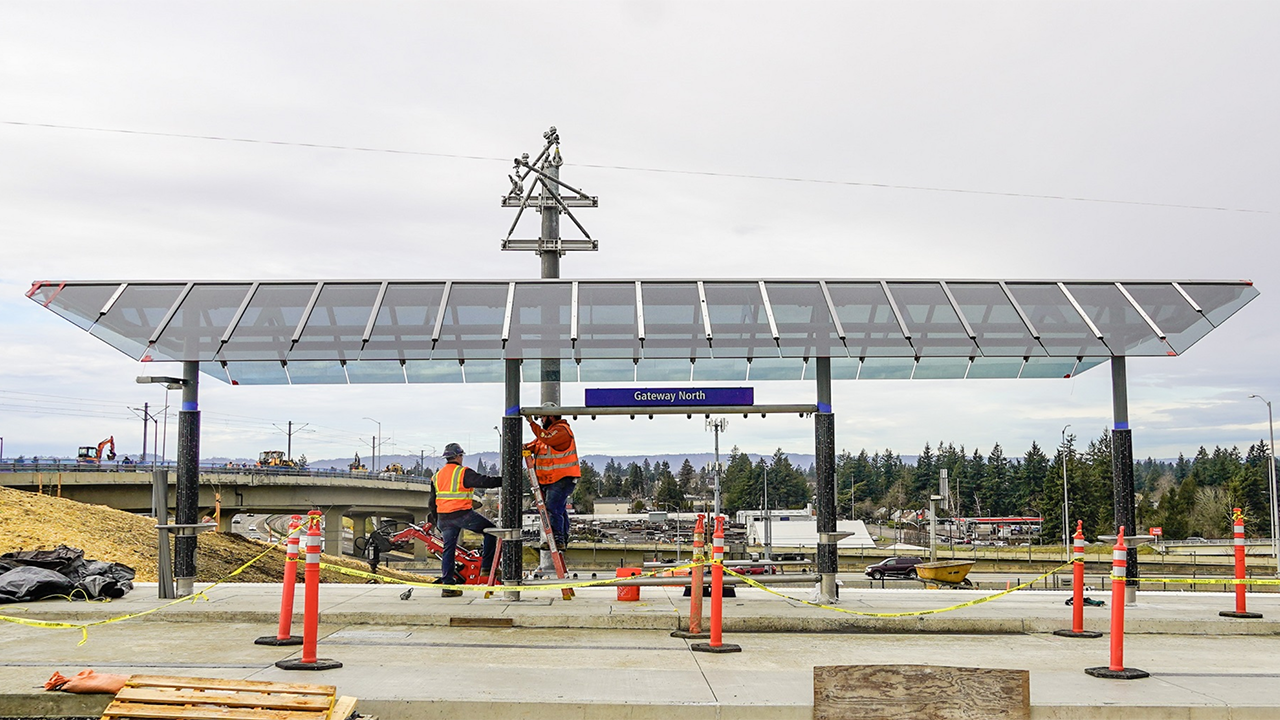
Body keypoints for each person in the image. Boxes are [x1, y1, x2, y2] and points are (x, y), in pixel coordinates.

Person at [431, 442, 502, 598]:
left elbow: (432, 502)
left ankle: (448, 585)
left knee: (448, 550)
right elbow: (485, 481)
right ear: (458, 456)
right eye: (461, 456)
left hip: (444, 518)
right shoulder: (462, 473)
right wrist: (505, 480)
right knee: (493, 532)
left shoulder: (436, 476)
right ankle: (487, 566)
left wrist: (437, 521)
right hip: (462, 515)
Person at [524, 402, 580, 549]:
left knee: (553, 508)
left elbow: (547, 438)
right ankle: (560, 539)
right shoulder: (545, 437)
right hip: (550, 480)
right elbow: (534, 445)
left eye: (542, 417)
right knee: (558, 509)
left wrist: (531, 423)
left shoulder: (562, 431)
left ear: (550, 416)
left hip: (561, 478)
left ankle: (557, 540)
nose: (541, 420)